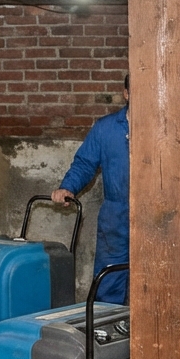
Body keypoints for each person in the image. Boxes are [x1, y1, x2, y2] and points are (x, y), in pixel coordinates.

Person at [52, 75, 130, 304]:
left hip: (156, 215)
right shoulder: (106, 129)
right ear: (126, 94)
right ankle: (106, 324)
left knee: (156, 275)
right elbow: (85, 163)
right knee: (109, 278)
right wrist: (68, 187)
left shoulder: (163, 128)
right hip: (116, 215)